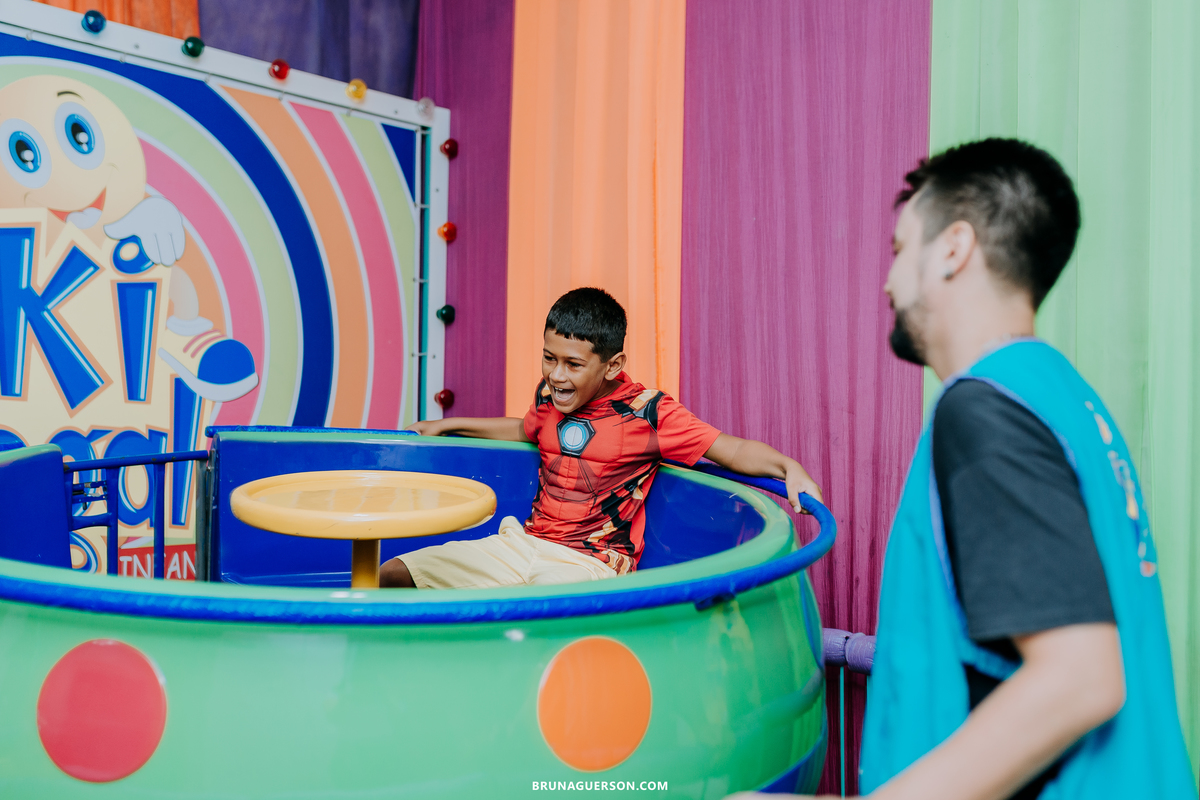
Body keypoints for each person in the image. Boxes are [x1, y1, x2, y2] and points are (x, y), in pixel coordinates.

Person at [731, 139, 1195, 799]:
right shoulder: (1063, 397)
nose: (889, 281)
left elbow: (1080, 678)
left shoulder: (984, 410)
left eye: (899, 251)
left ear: (952, 249)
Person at [381, 287, 822, 589]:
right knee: (393, 574)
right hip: (524, 543)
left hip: (589, 564)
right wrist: (451, 424)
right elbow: (524, 429)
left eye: (572, 365)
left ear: (612, 365)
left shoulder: (647, 411)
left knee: (525, 615)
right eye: (549, 358)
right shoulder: (550, 397)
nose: (556, 375)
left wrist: (790, 469)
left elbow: (732, 449)